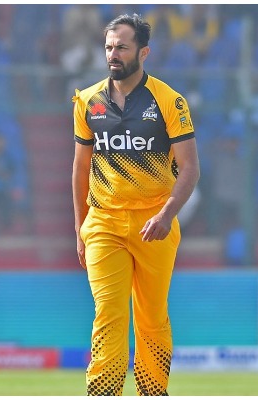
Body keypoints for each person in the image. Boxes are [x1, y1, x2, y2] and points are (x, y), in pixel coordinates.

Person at [71, 14, 199, 396]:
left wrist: (166, 215)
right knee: (108, 315)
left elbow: (190, 168)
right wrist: (80, 230)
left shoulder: (168, 100)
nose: (113, 54)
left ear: (143, 52)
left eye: (122, 47)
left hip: (154, 224)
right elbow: (79, 171)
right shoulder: (87, 101)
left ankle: (152, 392)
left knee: (151, 318)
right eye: (109, 46)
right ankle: (103, 392)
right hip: (104, 223)